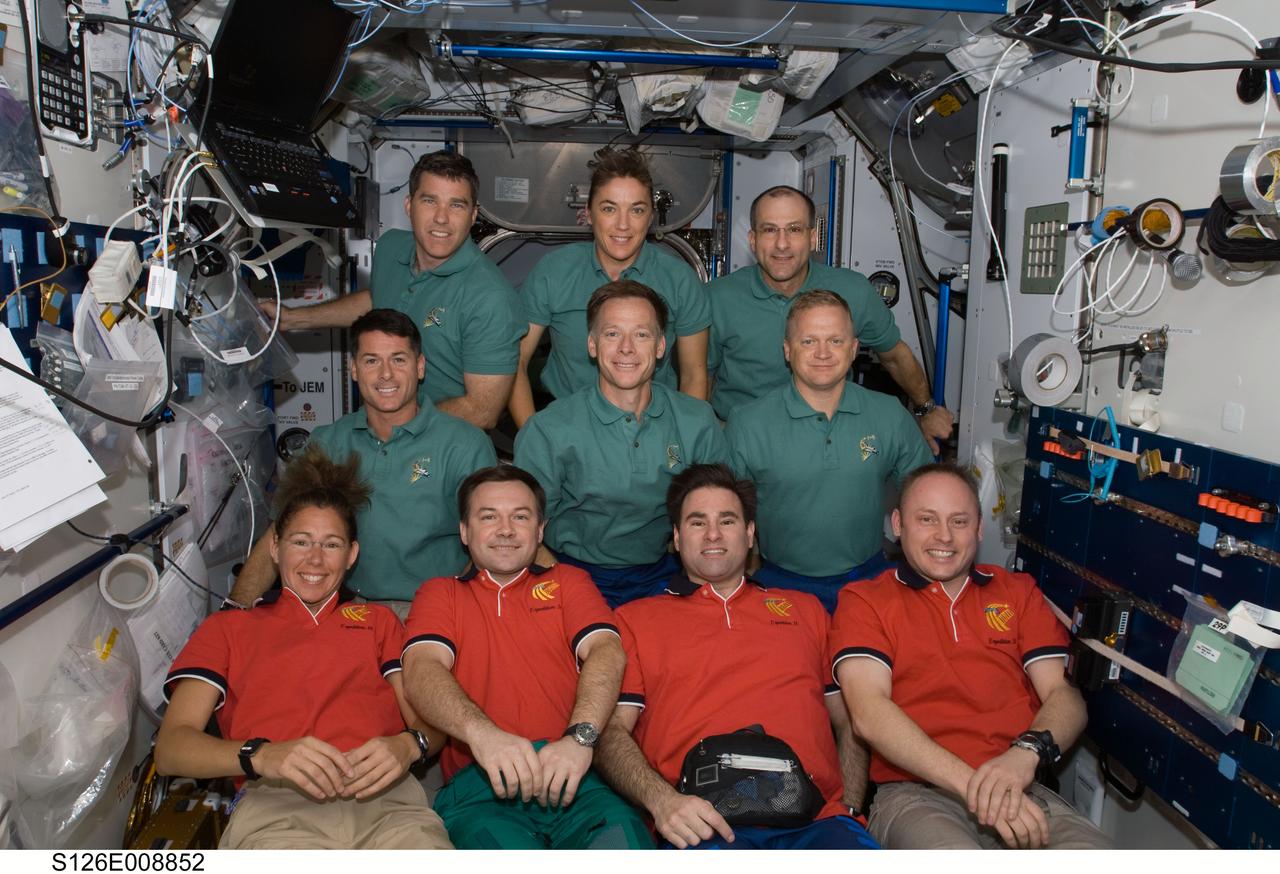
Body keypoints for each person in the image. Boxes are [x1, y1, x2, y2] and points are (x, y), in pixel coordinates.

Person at [156, 445, 452, 849]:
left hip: (388, 806)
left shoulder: (379, 623)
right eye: (301, 542)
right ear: (275, 548)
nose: (315, 559)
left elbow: (430, 722)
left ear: (351, 555)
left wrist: (408, 744)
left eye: (331, 545)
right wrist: (259, 756)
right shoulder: (229, 629)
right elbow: (171, 749)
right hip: (279, 808)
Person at [592, 463, 879, 850]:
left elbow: (851, 720)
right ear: (676, 538)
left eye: (727, 521)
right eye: (697, 522)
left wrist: (848, 804)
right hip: (701, 823)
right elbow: (609, 733)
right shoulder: (634, 619)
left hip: (816, 821)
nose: (713, 534)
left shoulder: (807, 610)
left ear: (749, 534)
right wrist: (662, 802)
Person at [831, 463, 1113, 850]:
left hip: (1021, 784)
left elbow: (1066, 699)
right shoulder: (864, 601)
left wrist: (1023, 756)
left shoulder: (1017, 592)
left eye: (959, 521)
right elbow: (869, 715)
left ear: (979, 528)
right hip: (917, 795)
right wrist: (979, 788)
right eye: (926, 519)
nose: (943, 536)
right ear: (898, 524)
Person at [400, 465, 653, 849]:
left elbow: (606, 651)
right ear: (465, 532)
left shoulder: (569, 583)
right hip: (481, 788)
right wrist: (482, 735)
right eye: (489, 517)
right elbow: (421, 670)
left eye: (520, 516)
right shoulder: (441, 594)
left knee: (627, 843)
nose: (505, 529)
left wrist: (581, 740)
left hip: (576, 778)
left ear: (540, 530)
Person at [230, 309, 496, 616]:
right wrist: (233, 612)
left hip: (437, 608)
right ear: (354, 369)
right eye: (372, 361)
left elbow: (492, 545)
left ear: (420, 367)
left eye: (399, 359)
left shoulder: (464, 444)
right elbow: (279, 535)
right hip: (349, 608)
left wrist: (454, 610)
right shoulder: (329, 443)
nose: (386, 374)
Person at [262, 152, 524, 429]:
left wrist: (392, 422)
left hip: (444, 446)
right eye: (429, 201)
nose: (441, 218)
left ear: (472, 216)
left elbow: (482, 411)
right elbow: (379, 299)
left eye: (456, 205)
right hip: (382, 432)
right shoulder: (390, 248)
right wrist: (292, 318)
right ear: (409, 206)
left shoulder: (490, 298)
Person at [514, 280, 728, 607]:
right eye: (612, 334)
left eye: (641, 334)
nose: (626, 347)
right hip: (569, 569)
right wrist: (571, 594)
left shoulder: (697, 422)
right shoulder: (548, 429)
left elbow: (720, 521)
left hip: (666, 573)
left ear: (660, 346)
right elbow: (522, 528)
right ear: (592, 345)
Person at [726, 290, 933, 612]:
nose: (823, 352)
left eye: (835, 341)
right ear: (787, 350)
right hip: (781, 584)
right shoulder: (747, 423)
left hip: (868, 580)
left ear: (853, 350)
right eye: (808, 341)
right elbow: (725, 520)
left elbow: (930, 499)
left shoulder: (889, 415)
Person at [708, 184, 953, 452]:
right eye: (769, 230)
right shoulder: (718, 298)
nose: (781, 244)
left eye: (794, 229)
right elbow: (698, 379)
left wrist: (926, 409)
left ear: (813, 238)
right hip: (745, 443)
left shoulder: (853, 291)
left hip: (829, 440)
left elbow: (894, 355)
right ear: (752, 240)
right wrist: (712, 437)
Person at [510, 147, 710, 427]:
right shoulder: (553, 272)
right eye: (609, 208)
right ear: (589, 214)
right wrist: (535, 438)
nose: (623, 225)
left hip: (654, 429)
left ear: (651, 217)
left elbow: (694, 375)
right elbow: (515, 362)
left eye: (637, 210)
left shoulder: (679, 280)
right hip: (569, 427)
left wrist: (686, 443)